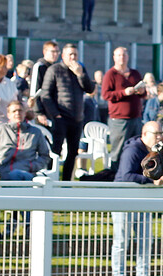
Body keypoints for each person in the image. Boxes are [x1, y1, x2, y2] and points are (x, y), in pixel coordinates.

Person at [111, 121, 163, 276]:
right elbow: (126, 176)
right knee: (121, 241)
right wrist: (151, 181)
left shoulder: (155, 152)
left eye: (161, 133)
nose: (160, 137)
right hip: (123, 200)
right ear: (144, 134)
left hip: (143, 201)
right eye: (156, 134)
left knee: (146, 240)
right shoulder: (132, 150)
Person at [39, 43, 95, 181]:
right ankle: (52, 178)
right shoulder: (54, 70)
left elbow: (90, 89)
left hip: (76, 118)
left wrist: (80, 74)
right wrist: (55, 115)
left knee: (73, 152)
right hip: (61, 117)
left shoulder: (80, 69)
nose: (73, 57)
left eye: (75, 54)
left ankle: (66, 181)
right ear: (63, 56)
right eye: (70, 54)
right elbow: (45, 95)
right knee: (56, 151)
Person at [0, 100, 51, 181]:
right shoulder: (1, 129)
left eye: (20, 111)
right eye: (14, 111)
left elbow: (45, 155)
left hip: (28, 172)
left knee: (19, 175)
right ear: (8, 115)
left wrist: (33, 166)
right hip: (5, 172)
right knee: (14, 176)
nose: (17, 113)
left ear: (24, 113)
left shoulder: (36, 132)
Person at [102, 46, 145, 169]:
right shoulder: (111, 74)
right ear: (114, 57)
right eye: (119, 55)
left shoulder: (135, 73)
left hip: (136, 118)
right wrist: (124, 92)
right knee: (118, 151)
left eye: (124, 55)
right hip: (119, 120)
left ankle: (133, 174)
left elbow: (144, 94)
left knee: (137, 148)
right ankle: (116, 177)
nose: (122, 57)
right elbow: (105, 95)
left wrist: (141, 91)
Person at [29, 41, 59, 127]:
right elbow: (34, 92)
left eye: (57, 52)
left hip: (53, 110)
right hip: (42, 112)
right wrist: (39, 112)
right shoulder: (39, 66)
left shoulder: (55, 68)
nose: (55, 54)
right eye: (53, 52)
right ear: (45, 52)